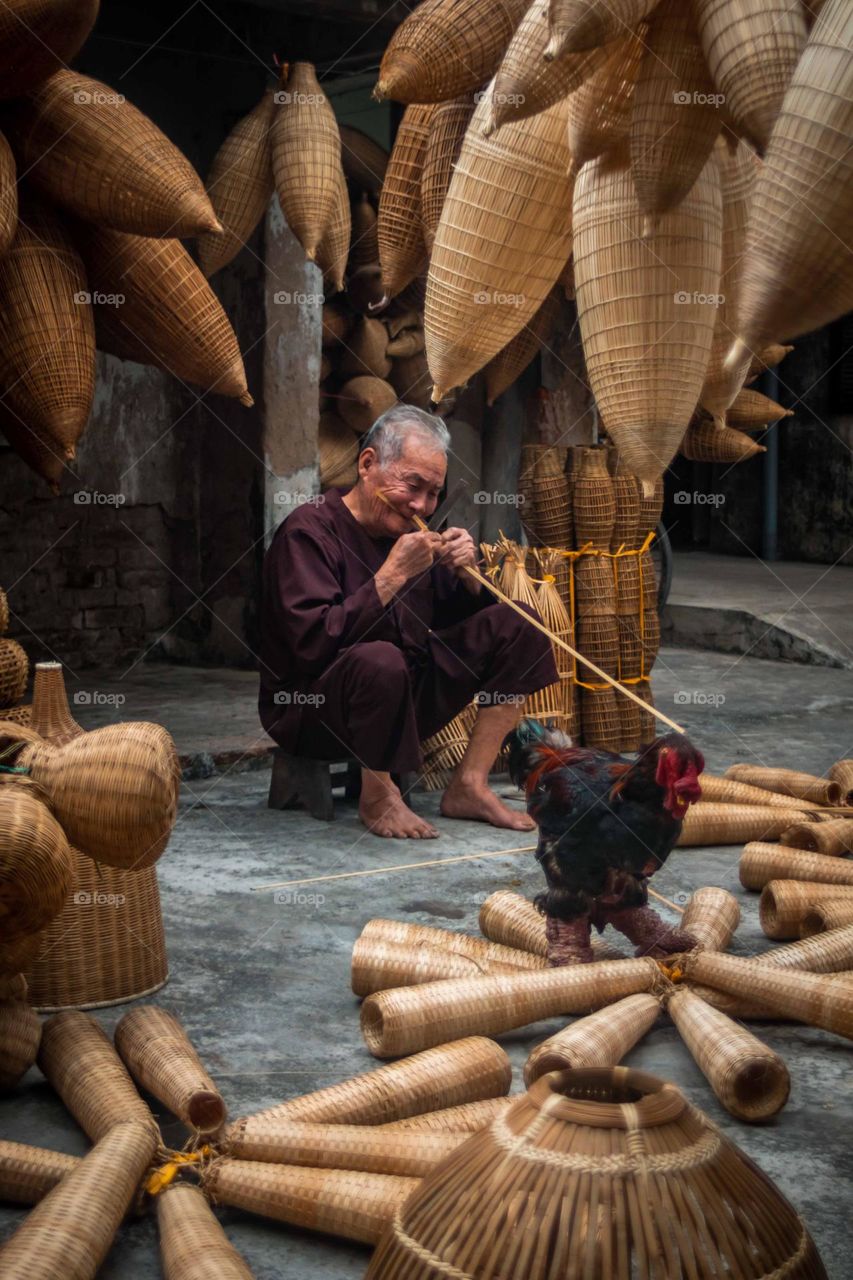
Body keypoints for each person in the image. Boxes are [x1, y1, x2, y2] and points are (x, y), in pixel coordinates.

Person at [258, 404, 559, 839]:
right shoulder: (308, 532)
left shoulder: (409, 533)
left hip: (403, 704)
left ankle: (469, 784)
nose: (422, 505)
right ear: (367, 465)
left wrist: (466, 574)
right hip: (312, 711)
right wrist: (392, 575)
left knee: (520, 625)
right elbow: (311, 644)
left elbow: (464, 621)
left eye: (433, 492)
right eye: (412, 485)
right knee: (381, 659)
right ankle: (377, 795)